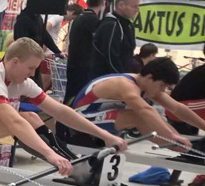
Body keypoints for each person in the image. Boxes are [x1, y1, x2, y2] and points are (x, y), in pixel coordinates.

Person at [0, 38, 126, 174]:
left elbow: (60, 111)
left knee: (31, 117)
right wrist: (50, 155)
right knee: (20, 119)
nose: (33, 74)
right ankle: (69, 164)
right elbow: (14, 123)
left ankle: (71, 161)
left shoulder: (21, 81)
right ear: (15, 62)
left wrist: (105, 135)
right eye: (31, 68)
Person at [72, 57, 203, 150]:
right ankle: (183, 148)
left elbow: (178, 108)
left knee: (155, 117)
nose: (163, 91)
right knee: (139, 115)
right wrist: (171, 135)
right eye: (162, 85)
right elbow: (145, 110)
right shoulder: (126, 85)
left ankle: (183, 147)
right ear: (149, 77)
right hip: (80, 118)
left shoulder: (146, 84)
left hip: (97, 116)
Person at [65, 0, 106, 102]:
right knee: (79, 97)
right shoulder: (93, 20)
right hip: (84, 66)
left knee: (70, 95)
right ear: (103, 3)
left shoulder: (79, 17)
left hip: (73, 62)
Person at [91, 0, 141, 79]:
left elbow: (127, 55)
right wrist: (121, 78)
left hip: (118, 77)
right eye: (134, 6)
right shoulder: (111, 25)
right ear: (121, 5)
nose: (137, 10)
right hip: (107, 79)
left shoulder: (128, 25)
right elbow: (111, 57)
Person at [13, 8, 62, 87]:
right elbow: (21, 41)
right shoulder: (24, 19)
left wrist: (58, 51)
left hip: (33, 60)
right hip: (25, 59)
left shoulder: (38, 18)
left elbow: (45, 35)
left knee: (35, 87)